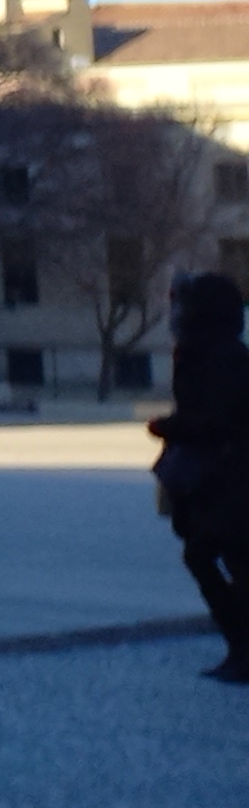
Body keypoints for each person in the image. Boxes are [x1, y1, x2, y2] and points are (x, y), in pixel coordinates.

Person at [148, 271, 249, 683]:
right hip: (220, 477)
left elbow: (218, 420)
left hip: (226, 477)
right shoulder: (208, 352)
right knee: (222, 558)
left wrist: (169, 427)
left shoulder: (216, 356)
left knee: (218, 557)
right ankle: (241, 646)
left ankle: (242, 647)